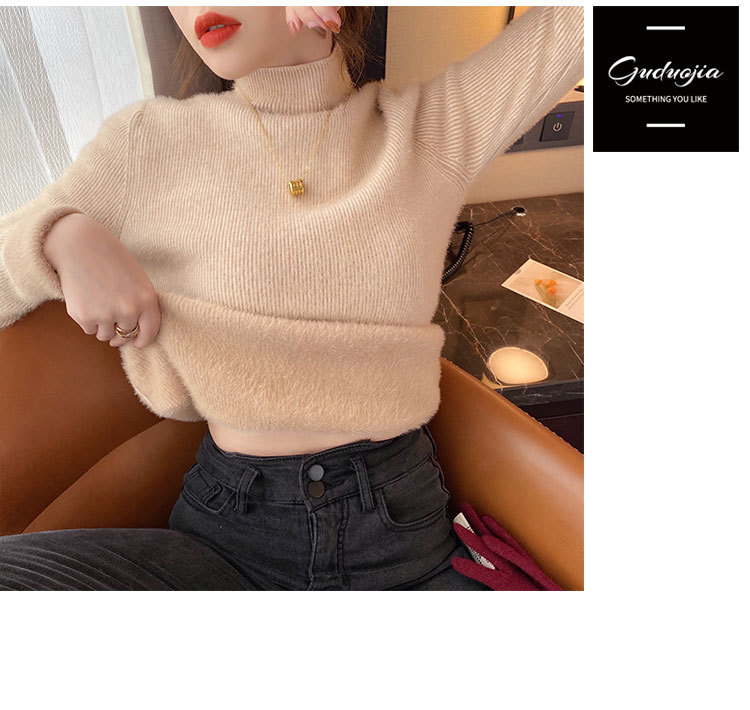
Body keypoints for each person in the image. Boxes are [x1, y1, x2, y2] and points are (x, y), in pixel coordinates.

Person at [0, 5, 583, 590]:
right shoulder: (145, 143)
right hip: (226, 537)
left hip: (398, 537)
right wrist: (59, 236)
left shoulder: (430, 129)